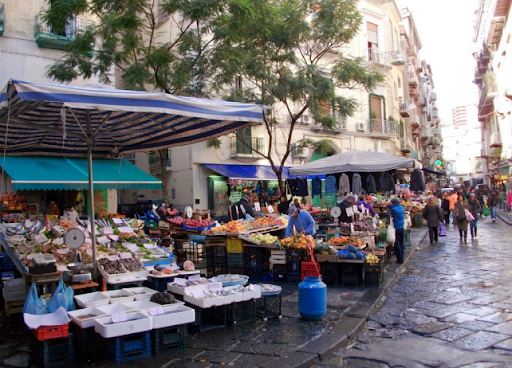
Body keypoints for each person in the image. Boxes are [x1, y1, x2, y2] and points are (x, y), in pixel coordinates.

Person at [389, 197, 405, 263]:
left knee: (397, 243)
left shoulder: (394, 209)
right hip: (402, 226)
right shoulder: (402, 207)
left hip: (396, 227)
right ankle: (402, 256)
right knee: (401, 242)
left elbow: (394, 219)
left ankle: (399, 259)